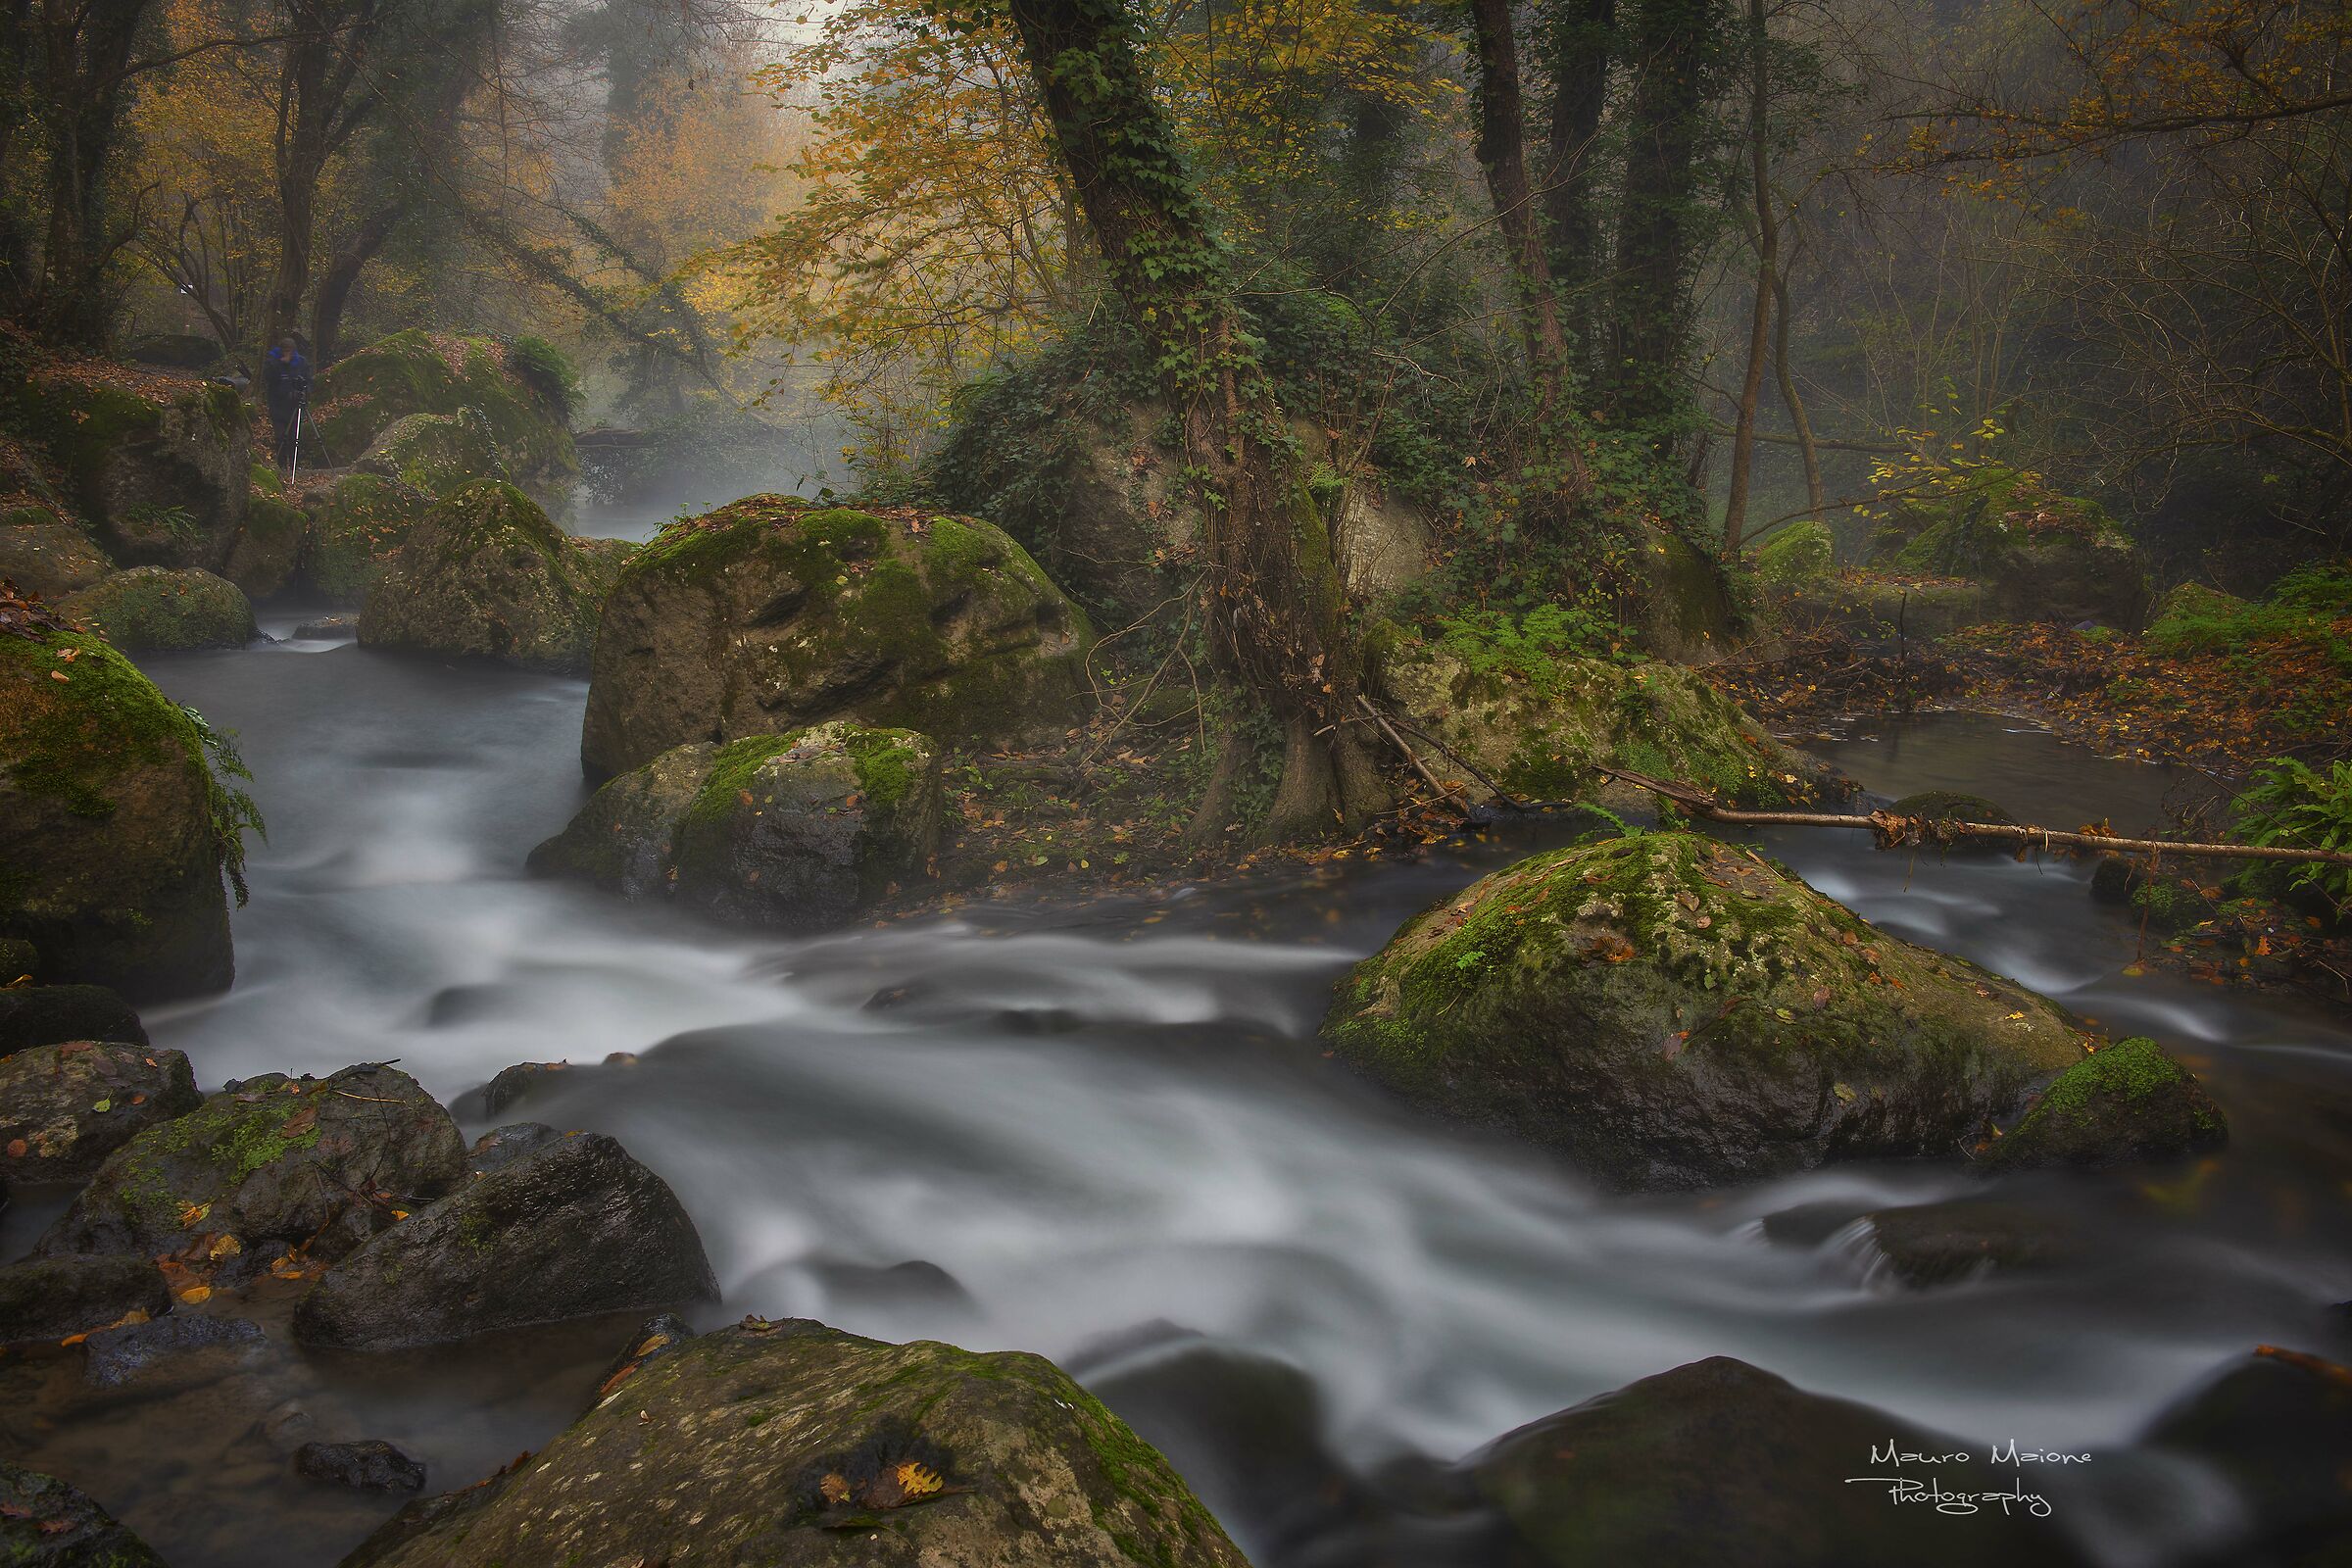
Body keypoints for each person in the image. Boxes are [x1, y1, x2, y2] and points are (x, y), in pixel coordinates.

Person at [263, 336, 311, 473]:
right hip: (278, 405)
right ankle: (281, 465)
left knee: (295, 436)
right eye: (285, 350)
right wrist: (281, 364)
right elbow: (268, 378)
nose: (287, 353)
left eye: (290, 350)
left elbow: (307, 381)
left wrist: (305, 392)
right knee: (281, 436)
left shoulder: (301, 362)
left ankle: (296, 465)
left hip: (295, 406)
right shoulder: (272, 361)